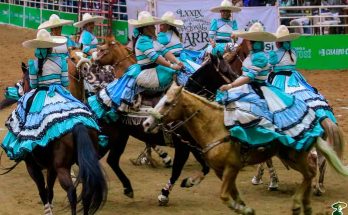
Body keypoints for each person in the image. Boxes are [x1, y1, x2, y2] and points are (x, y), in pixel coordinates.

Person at [216, 22, 323, 151]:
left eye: (249, 41)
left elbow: (250, 76)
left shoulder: (262, 56)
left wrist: (231, 85)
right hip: (291, 76)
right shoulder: (289, 52)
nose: (247, 43)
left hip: (260, 84)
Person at [1, 29, 100, 160]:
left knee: (24, 108)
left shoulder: (33, 64)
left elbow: (34, 84)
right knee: (79, 106)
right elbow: (65, 83)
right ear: (51, 47)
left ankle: (25, 144)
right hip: (59, 93)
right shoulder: (61, 62)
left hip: (40, 94)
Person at [88, 11, 182, 115]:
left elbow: (165, 51)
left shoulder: (152, 39)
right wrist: (172, 65)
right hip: (148, 70)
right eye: (152, 26)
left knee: (130, 76)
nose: (155, 28)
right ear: (146, 28)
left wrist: (177, 62)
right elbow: (155, 57)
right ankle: (125, 103)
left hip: (152, 68)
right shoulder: (143, 40)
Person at [269, 25, 336, 124]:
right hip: (295, 77)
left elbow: (268, 65)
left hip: (280, 78)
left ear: (278, 42)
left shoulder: (274, 54)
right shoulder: (294, 52)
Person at [158, 11, 201, 86]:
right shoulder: (175, 33)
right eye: (160, 24)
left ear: (168, 25)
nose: (160, 27)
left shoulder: (162, 35)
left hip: (174, 61)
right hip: (183, 59)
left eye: (162, 24)